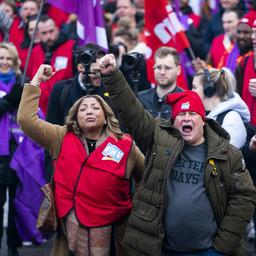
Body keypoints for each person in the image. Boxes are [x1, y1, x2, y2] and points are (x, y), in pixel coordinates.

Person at [99, 53, 256, 256]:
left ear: (203, 120)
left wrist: (222, 248)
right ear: (173, 122)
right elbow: (133, 112)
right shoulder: (160, 138)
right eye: (181, 115)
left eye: (192, 114)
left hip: (208, 251)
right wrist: (112, 75)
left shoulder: (226, 152)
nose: (186, 118)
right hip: (162, 249)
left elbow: (244, 197)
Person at [17, 64, 144, 256]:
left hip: (116, 231)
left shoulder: (125, 145)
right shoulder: (60, 137)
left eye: (95, 107)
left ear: (106, 116)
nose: (89, 111)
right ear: (75, 117)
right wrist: (36, 81)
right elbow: (26, 120)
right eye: (83, 109)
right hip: (69, 232)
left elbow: (146, 176)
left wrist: (138, 209)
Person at [0, 42, 23, 256]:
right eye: (1, 59)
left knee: (15, 202)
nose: (5, 62)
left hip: (17, 151)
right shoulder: (13, 90)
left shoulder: (20, 83)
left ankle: (13, 246)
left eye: (8, 58)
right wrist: (8, 101)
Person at [27, 14, 76, 114]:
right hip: (42, 108)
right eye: (44, 33)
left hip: (67, 104)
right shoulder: (35, 52)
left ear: (57, 29)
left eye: (51, 31)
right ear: (38, 34)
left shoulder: (72, 47)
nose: (48, 36)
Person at [192, 67, 250, 149]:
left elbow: (229, 155)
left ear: (209, 90)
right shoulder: (199, 114)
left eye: (194, 87)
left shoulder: (231, 118)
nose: (191, 91)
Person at [138, 46, 183, 119]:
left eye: (167, 68)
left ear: (178, 70)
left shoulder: (185, 101)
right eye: (158, 67)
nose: (162, 72)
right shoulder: (140, 99)